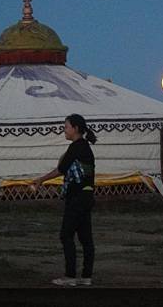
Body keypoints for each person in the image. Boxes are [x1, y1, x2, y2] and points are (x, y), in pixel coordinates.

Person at [32, 114, 96, 286]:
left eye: (66, 127)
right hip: (87, 195)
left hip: (77, 197)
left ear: (75, 128)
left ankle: (70, 276)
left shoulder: (76, 147)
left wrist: (40, 180)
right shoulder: (84, 147)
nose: (64, 130)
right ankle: (86, 276)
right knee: (85, 237)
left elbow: (61, 169)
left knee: (66, 235)